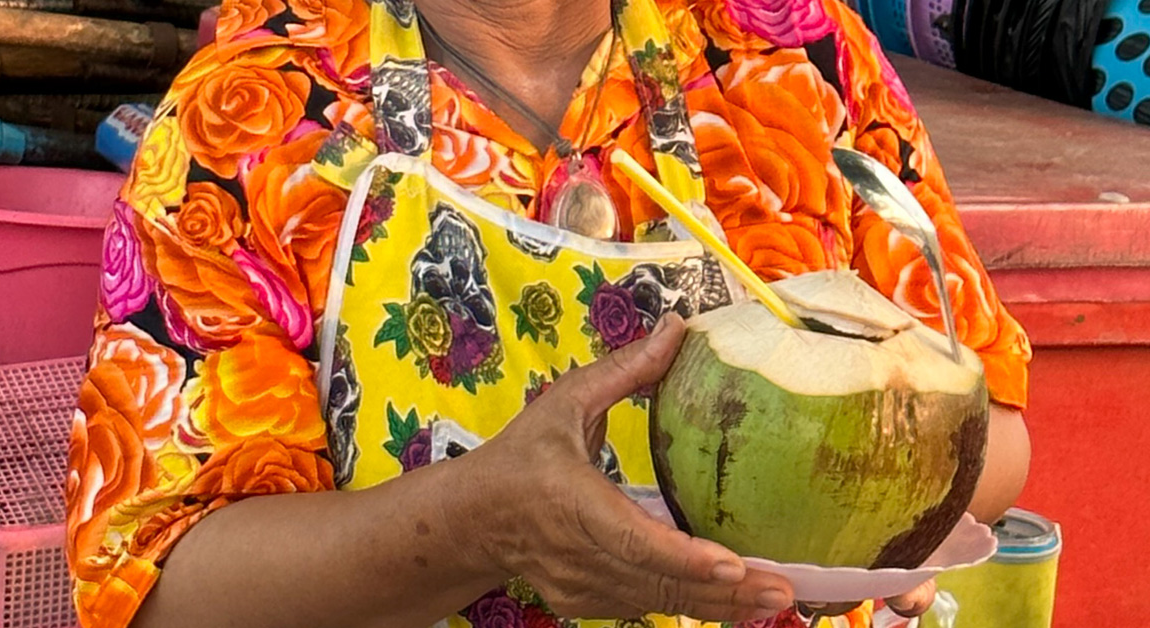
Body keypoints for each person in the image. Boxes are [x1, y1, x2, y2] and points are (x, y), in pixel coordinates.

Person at [65, 0, 1032, 626]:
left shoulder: (790, 54)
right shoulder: (252, 118)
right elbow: (164, 589)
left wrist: (870, 517)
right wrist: (477, 530)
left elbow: (995, 428)